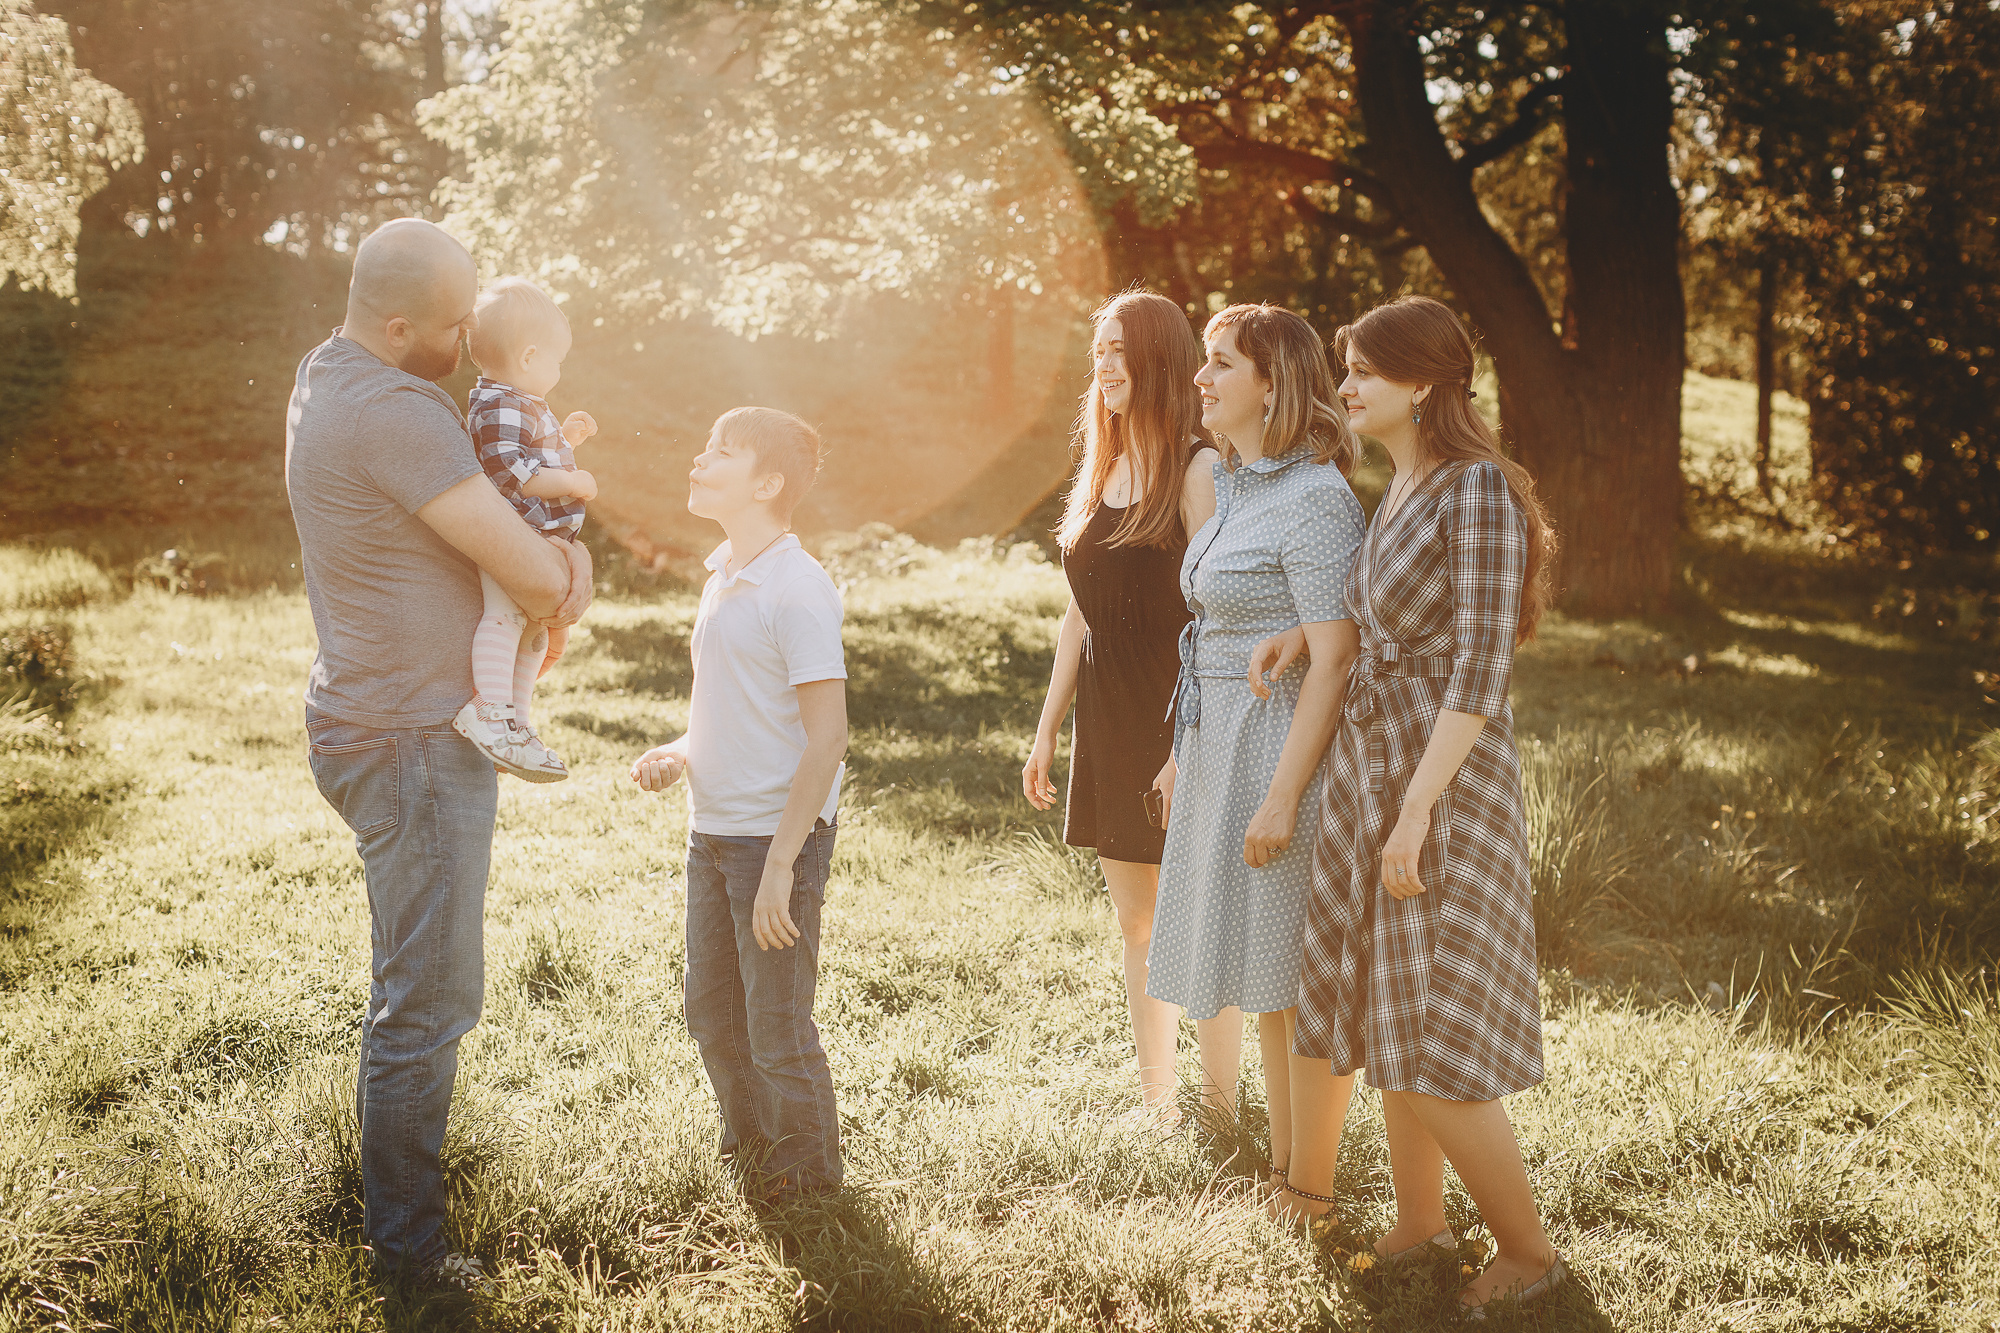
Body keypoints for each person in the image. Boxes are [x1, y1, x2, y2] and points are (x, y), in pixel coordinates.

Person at [286, 218, 593, 1287]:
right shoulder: (400, 410)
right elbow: (542, 578)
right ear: (398, 321)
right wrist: (568, 561)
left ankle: (390, 1210)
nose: (472, 341)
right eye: (456, 323)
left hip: (364, 714)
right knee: (428, 994)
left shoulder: (325, 372)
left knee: (411, 981)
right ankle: (407, 1253)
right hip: (413, 735)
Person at [1267, 295, 1566, 1316]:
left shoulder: (1474, 490)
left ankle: (1528, 1254)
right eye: (1344, 368)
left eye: (1362, 371)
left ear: (1426, 384)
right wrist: (1300, 639)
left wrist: (1415, 810)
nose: (1343, 387)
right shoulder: (1397, 485)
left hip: (1441, 778)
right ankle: (1416, 1223)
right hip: (1372, 764)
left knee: (1431, 1032)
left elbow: (1479, 667)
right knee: (1383, 1010)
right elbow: (1381, 618)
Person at [1146, 303, 1365, 1210]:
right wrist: (1179, 750)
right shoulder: (1239, 488)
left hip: (1278, 747)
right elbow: (1229, 627)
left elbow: (1338, 653)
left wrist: (1282, 797)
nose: (1201, 379)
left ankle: (1306, 1185)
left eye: (1221, 363)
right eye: (1203, 361)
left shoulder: (1315, 496)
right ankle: (1284, 1171)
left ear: (1272, 384)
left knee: (1288, 980)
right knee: (1260, 975)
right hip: (1217, 739)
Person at [629, 406, 848, 1200]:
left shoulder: (797, 588)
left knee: (776, 1029)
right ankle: (755, 1155)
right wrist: (678, 752)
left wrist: (783, 864)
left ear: (767, 482)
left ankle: (814, 1186)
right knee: (712, 1015)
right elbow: (729, 706)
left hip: (773, 842)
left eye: (719, 451)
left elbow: (827, 738)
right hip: (712, 835)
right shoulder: (723, 574)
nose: (697, 459)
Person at [1021, 289, 1219, 1121]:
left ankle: (1221, 1102)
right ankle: (1158, 1098)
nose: (1101, 364)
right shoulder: (1100, 468)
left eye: (1117, 349)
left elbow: (1218, 611)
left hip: (1179, 714)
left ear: (1157, 359)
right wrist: (1046, 732)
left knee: (1194, 921)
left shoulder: (1199, 468)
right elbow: (1081, 611)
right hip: (1107, 712)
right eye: (1096, 349)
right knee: (1137, 921)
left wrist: (1185, 746)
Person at [455, 276, 602, 782]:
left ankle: (517, 723)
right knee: (504, 617)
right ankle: (491, 710)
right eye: (556, 360)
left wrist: (569, 437)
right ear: (529, 355)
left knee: (535, 632)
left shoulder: (521, 403)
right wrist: (574, 479)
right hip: (511, 534)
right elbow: (513, 471)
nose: (559, 370)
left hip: (538, 535)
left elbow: (533, 451)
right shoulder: (497, 405)